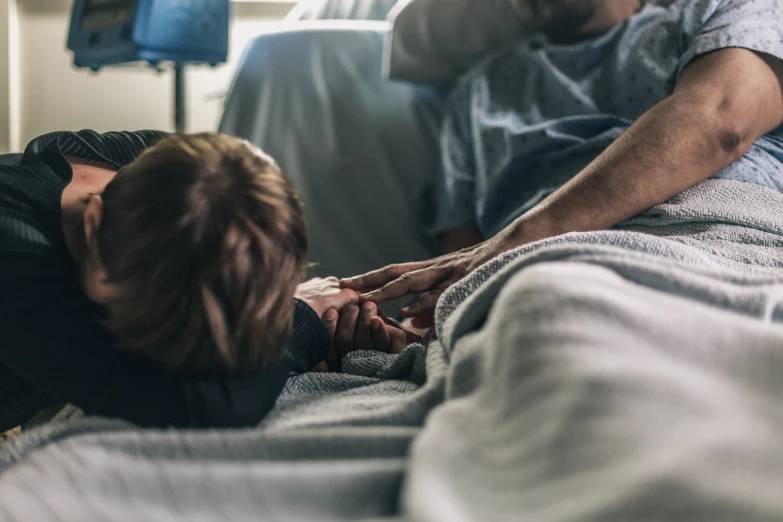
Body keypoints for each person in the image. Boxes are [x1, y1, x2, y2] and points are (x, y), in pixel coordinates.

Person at [341, 0, 783, 321]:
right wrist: (416, 328)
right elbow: (460, 262)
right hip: (540, 281)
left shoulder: (722, 11)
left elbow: (721, 119)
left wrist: (523, 238)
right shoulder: (478, 93)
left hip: (725, 236)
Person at [0, 130, 408, 433]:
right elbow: (209, 407)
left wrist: (277, 317)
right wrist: (303, 322)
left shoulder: (184, 176)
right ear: (94, 222)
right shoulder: (14, 256)